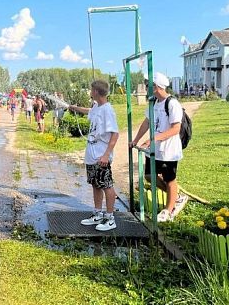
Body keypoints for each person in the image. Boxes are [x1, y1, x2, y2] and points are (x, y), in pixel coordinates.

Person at [129, 72, 188, 222]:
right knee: (149, 176)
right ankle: (177, 197)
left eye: (149, 85)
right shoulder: (153, 103)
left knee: (170, 180)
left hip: (168, 150)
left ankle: (168, 210)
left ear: (156, 87)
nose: (147, 87)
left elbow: (175, 128)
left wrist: (154, 138)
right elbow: (147, 122)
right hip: (155, 149)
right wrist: (135, 140)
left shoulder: (172, 103)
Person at [69, 80, 120, 231]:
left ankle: (110, 218)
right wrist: (74, 108)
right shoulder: (97, 106)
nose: (90, 92)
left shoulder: (107, 110)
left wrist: (106, 155)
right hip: (91, 153)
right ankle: (98, 213)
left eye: (91, 90)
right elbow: (88, 111)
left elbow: (115, 135)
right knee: (95, 183)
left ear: (96, 92)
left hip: (100, 154)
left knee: (106, 185)